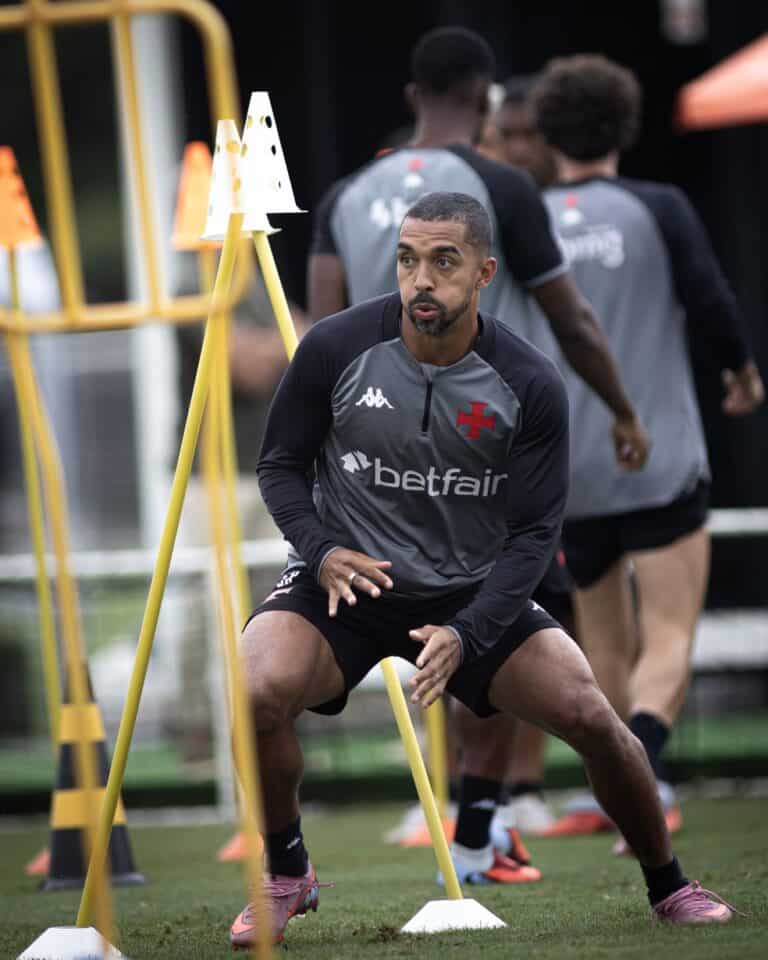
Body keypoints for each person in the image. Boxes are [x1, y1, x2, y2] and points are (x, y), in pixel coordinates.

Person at [229, 192, 735, 947]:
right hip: (348, 581)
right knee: (252, 690)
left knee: (595, 718)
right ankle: (286, 869)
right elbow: (278, 466)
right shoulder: (334, 348)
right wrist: (324, 548)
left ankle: (670, 884)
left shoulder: (528, 381)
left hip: (470, 589)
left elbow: (535, 535)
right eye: (407, 259)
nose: (420, 279)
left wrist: (471, 631)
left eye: (443, 261)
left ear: (485, 272)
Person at [308, 25, 649, 873]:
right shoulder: (497, 187)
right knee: (495, 627)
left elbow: (318, 334)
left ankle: (469, 826)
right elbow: (570, 317)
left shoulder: (348, 192)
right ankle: (482, 825)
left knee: (425, 631)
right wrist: (621, 408)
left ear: (413, 96)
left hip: (368, 461)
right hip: (474, 453)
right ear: (487, 96)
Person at [527, 54, 764, 847]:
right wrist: (740, 370)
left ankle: (617, 787)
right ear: (625, 126)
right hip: (657, 455)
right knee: (670, 630)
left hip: (572, 469)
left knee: (603, 639)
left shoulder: (526, 217)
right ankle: (647, 777)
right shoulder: (656, 205)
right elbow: (710, 294)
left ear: (547, 131)